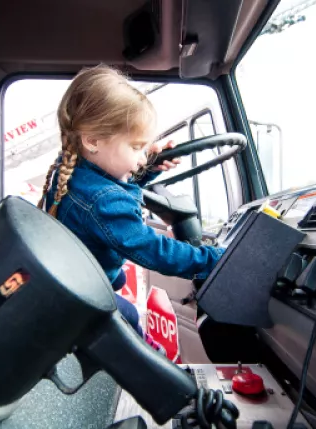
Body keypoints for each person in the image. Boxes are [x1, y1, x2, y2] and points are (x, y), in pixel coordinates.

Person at [39, 65, 225, 355]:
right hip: (89, 299)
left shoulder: (76, 173)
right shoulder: (105, 201)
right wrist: (214, 258)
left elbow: (110, 186)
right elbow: (151, 250)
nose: (142, 157)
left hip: (76, 289)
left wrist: (148, 168)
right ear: (92, 140)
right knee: (133, 327)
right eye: (137, 147)